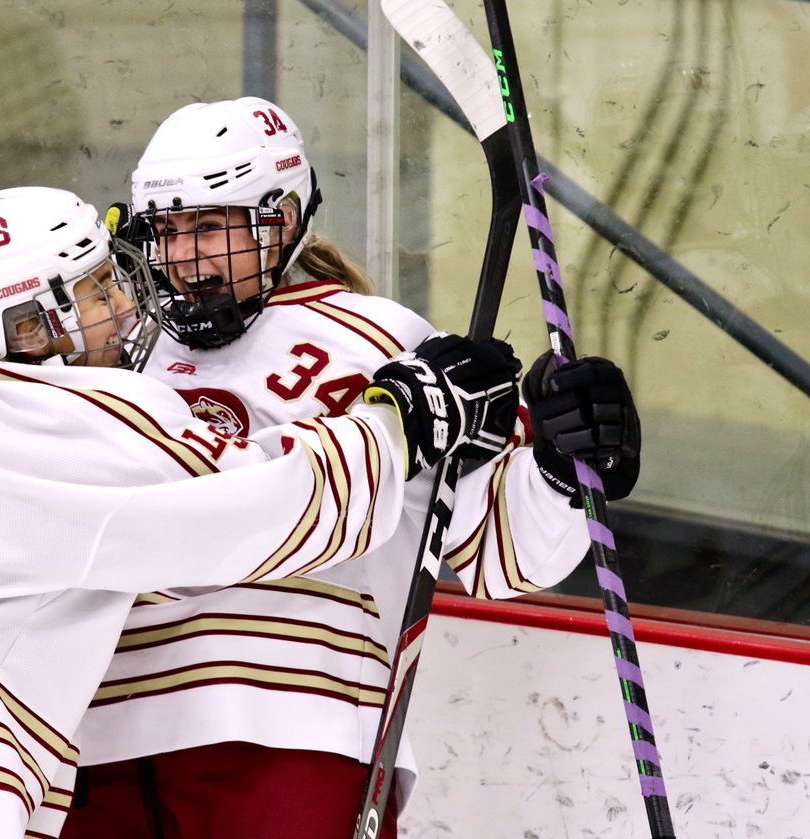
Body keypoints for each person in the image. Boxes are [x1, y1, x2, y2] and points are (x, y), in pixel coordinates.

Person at [0, 185, 522, 839]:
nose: (124, 301)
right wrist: (403, 418)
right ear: (31, 326)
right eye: (96, 289)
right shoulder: (61, 421)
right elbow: (255, 510)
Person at [59, 98, 643, 838]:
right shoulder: (119, 356)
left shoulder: (385, 346)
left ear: (279, 219)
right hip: (93, 737)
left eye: (208, 226)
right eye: (167, 231)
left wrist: (565, 463)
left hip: (294, 726)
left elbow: (502, 552)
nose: (183, 258)